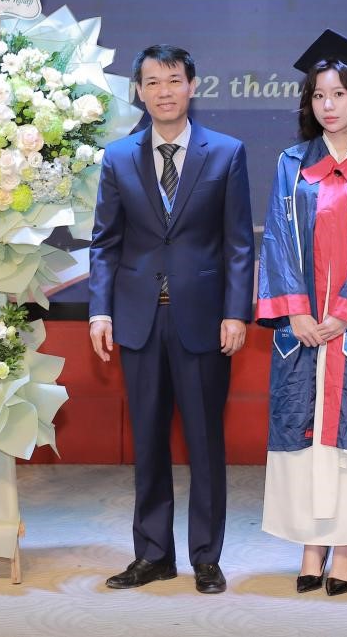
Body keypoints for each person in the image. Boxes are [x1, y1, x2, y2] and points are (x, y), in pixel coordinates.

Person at [88, 44, 254, 594]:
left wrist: (236, 312)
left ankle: (206, 557)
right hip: (138, 320)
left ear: (192, 86)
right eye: (153, 82)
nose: (164, 91)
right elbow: (105, 243)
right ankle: (153, 554)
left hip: (202, 319)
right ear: (139, 91)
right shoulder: (117, 157)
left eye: (174, 80)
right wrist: (100, 311)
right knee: (148, 442)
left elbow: (237, 243)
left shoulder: (226, 153)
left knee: (205, 443)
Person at [256, 31, 347, 597]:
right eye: (319, 95)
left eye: (339, 94)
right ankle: (310, 545)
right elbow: (276, 239)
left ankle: (344, 548)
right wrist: (295, 311)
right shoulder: (292, 163)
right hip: (301, 329)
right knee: (305, 432)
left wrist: (345, 314)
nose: (328, 105)